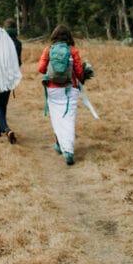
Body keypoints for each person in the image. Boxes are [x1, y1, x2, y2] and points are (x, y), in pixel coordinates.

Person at [38, 24, 88, 165]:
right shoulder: (73, 51)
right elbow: (79, 72)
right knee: (68, 119)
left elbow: (41, 69)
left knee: (57, 119)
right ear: (69, 37)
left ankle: (60, 145)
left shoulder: (48, 50)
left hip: (53, 90)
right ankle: (68, 151)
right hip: (69, 88)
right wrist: (84, 77)